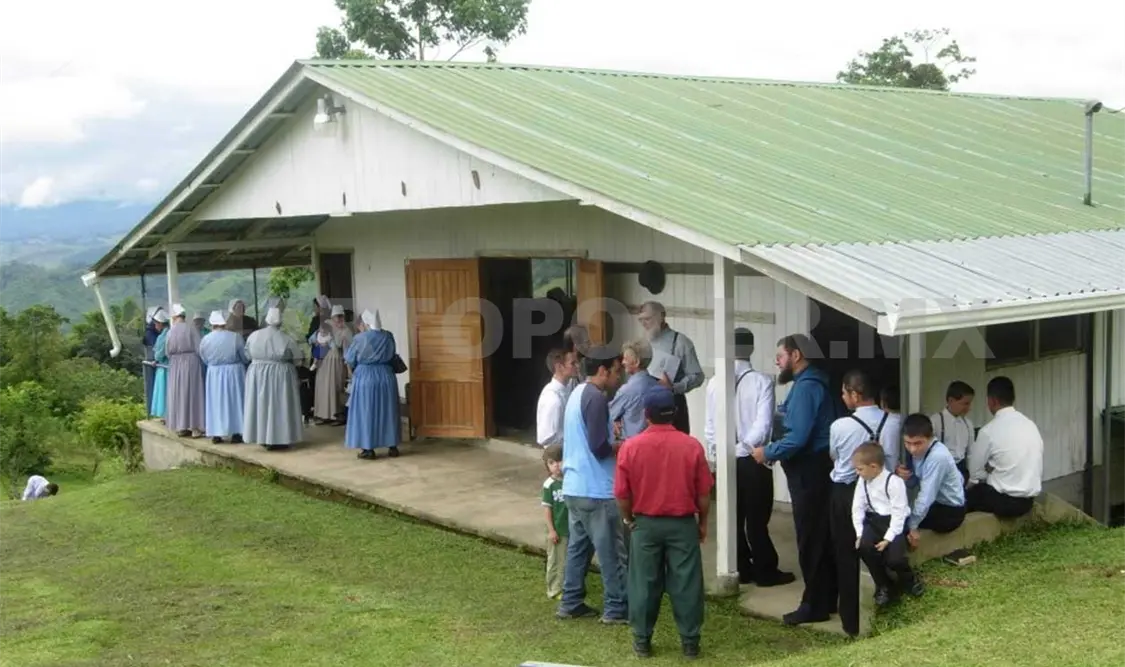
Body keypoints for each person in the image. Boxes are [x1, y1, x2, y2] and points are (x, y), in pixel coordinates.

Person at [616, 386, 713, 659]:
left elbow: (622, 494)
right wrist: (702, 523)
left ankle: (642, 640)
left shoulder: (631, 447)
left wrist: (629, 518)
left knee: (644, 582)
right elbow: (704, 493)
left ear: (646, 414)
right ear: (675, 413)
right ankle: (690, 642)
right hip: (682, 524)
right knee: (687, 582)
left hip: (645, 524)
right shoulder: (691, 446)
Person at [752, 334, 837, 627]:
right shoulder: (811, 384)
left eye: (781, 356)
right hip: (816, 468)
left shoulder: (806, 388)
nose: (777, 361)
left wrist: (767, 452)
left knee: (811, 539)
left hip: (809, 471)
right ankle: (827, 599)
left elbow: (798, 437)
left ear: (796, 355)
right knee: (821, 537)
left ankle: (814, 605)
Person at [704, 328, 793, 587]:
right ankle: (765, 569)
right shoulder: (762, 382)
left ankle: (741, 566)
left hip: (726, 459)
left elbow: (710, 427)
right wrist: (742, 448)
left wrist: (722, 450)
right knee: (757, 519)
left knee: (733, 516)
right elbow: (763, 427)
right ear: (751, 349)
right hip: (753, 459)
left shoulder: (714, 382)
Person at [556, 346, 627, 624]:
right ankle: (616, 608)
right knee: (611, 553)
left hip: (575, 487)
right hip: (596, 489)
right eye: (616, 371)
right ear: (602, 370)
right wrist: (620, 446)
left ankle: (570, 601)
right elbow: (598, 447)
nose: (619, 377)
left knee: (579, 549)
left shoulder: (576, 393)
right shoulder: (596, 398)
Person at [825, 369, 892, 637]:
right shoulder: (892, 421)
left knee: (845, 554)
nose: (842, 398)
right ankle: (883, 602)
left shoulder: (840, 426)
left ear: (855, 394)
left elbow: (835, 457)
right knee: (876, 547)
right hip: (880, 492)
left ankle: (850, 621)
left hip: (847, 491)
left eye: (844, 393)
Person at [851, 442, 922, 607]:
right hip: (875, 521)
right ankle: (883, 584)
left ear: (874, 467)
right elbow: (857, 508)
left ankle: (908, 579)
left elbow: (898, 514)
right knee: (864, 548)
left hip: (894, 523)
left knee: (894, 559)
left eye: (860, 469)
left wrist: (888, 539)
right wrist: (859, 533)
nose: (857, 473)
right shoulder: (862, 481)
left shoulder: (894, 482)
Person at [966, 377, 1043, 518]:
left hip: (1004, 501)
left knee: (968, 494)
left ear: (992, 401)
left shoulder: (988, 431)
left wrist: (990, 471)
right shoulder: (1030, 424)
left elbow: (975, 473)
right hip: (1028, 501)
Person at [637, 301, 704, 434]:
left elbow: (697, 376)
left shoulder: (681, 342)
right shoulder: (643, 342)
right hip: (645, 405)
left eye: (648, 319)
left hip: (672, 406)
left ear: (661, 317)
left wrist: (674, 387)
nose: (644, 323)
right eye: (641, 320)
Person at [897, 413, 966, 540]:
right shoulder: (919, 451)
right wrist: (902, 475)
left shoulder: (938, 456)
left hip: (950, 511)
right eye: (907, 443)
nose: (912, 449)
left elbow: (926, 497)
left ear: (930, 438)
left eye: (918, 443)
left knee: (901, 524)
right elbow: (912, 483)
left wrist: (912, 526)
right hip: (936, 504)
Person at [243, 307, 304, 450]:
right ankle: (281, 437)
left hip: (257, 372)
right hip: (280, 373)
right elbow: (298, 358)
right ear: (280, 322)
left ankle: (262, 436)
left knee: (261, 404)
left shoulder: (254, 336)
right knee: (280, 404)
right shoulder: (286, 338)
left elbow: (247, 354)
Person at [345, 310, 402, 460]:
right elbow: (392, 353)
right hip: (386, 375)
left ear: (366, 324)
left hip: (366, 376)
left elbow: (350, 359)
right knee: (388, 410)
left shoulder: (360, 338)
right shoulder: (388, 336)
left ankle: (368, 448)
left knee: (366, 411)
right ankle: (392, 446)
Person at [198, 310, 248, 445]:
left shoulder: (205, 339)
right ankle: (237, 432)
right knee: (235, 401)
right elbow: (244, 356)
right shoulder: (235, 337)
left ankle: (216, 433)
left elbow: (204, 357)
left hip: (214, 372)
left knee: (216, 402)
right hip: (234, 371)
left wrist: (213, 364)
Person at [165, 304, 206, 438]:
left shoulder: (170, 331)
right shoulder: (192, 329)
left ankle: (181, 426)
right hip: (191, 362)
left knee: (178, 393)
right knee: (193, 392)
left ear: (174, 317)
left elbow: (167, 351)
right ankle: (195, 427)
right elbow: (199, 348)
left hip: (175, 364)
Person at [609, 339, 660, 442]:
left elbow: (608, 415)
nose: (622, 362)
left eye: (625, 359)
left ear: (636, 362)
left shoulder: (626, 390)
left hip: (632, 444)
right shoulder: (657, 385)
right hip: (654, 442)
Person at [312, 304, 352, 426]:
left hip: (336, 360)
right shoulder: (326, 325)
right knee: (322, 386)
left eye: (341, 316)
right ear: (332, 317)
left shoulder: (346, 330)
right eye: (336, 316)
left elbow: (347, 350)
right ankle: (324, 414)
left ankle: (337, 415)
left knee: (334, 386)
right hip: (323, 359)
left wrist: (348, 367)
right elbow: (315, 338)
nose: (339, 319)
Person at [929, 381, 976, 482]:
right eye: (965, 403)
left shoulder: (968, 424)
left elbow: (971, 453)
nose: (969, 408)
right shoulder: (935, 421)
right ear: (951, 401)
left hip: (962, 469)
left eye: (969, 403)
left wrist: (972, 477)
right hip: (942, 470)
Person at [542, 443, 568, 600]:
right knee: (555, 560)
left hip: (570, 527)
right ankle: (554, 589)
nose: (556, 465)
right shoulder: (549, 485)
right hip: (557, 529)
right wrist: (551, 530)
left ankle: (567, 586)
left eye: (559, 461)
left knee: (567, 560)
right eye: (552, 463)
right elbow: (547, 509)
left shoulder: (570, 480)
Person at [537, 348, 578, 446]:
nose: (577, 366)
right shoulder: (552, 398)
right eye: (572, 363)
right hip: (558, 453)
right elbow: (545, 438)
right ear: (559, 367)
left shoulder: (568, 388)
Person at [142, 306, 166, 416]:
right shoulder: (150, 333)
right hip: (155, 363)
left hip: (160, 363)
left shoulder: (163, 334)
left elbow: (159, 351)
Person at [149, 309, 170, 419]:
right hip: (168, 366)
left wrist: (156, 360)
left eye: (156, 323)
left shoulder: (164, 336)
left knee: (163, 391)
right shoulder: (169, 333)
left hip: (164, 367)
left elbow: (159, 353)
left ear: (161, 323)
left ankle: (165, 414)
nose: (155, 326)